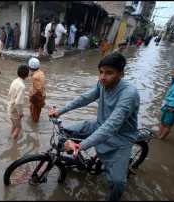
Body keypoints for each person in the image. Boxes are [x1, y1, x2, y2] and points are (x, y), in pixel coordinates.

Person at [48, 53, 140, 201]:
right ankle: (76, 161)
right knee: (65, 132)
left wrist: (80, 146)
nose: (103, 76)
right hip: (98, 124)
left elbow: (112, 126)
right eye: (101, 71)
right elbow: (84, 98)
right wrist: (60, 110)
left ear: (121, 74)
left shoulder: (128, 94)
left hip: (120, 137)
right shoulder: (102, 84)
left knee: (117, 182)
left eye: (109, 73)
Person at [158, 65, 174, 140]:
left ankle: (161, 139)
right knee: (163, 122)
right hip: (168, 104)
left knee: (168, 124)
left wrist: (173, 106)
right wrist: (166, 101)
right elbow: (171, 91)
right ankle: (158, 136)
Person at [7, 65, 29, 141]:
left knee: (14, 124)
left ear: (17, 73)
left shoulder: (14, 81)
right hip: (15, 110)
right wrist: (20, 114)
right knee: (19, 127)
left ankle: (10, 136)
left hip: (9, 107)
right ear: (27, 75)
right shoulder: (22, 86)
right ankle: (12, 143)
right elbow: (18, 103)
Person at [28, 58, 46, 123]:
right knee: (32, 109)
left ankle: (35, 127)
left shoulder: (35, 76)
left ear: (30, 67)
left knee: (35, 116)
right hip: (38, 98)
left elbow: (38, 90)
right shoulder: (40, 73)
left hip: (36, 99)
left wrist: (32, 96)